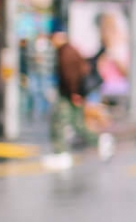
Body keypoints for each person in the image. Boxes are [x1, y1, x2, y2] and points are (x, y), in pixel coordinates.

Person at [45, 28, 112, 170]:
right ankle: (99, 141)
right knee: (77, 123)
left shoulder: (65, 52)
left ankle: (61, 153)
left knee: (59, 122)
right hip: (74, 93)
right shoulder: (70, 50)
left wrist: (74, 93)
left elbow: (70, 75)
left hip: (70, 94)